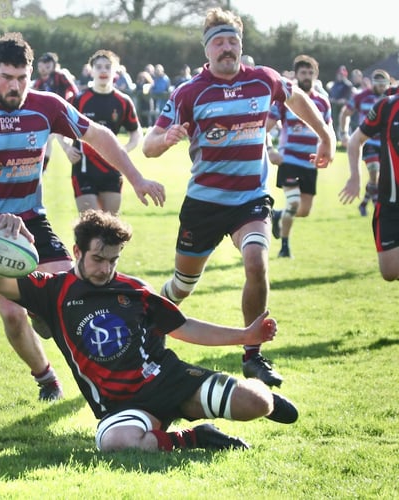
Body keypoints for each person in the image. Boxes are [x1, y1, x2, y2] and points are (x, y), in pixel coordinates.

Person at [0, 32, 166, 402]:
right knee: (12, 314)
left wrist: (136, 178)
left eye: (22, 78)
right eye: (7, 77)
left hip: (32, 219)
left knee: (71, 298)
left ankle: (107, 379)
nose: (15, 86)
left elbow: (98, 135)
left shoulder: (46, 106)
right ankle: (46, 378)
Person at [0, 210, 298, 452]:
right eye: (98, 259)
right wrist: (3, 241)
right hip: (121, 406)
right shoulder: (51, 291)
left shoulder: (134, 290)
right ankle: (197, 437)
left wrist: (244, 336)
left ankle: (263, 396)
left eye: (113, 260)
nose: (105, 268)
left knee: (255, 404)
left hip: (168, 379)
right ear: (76, 253)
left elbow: (182, 326)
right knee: (114, 442)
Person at [142, 8, 335, 388]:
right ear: (207, 49)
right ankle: (149, 326)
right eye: (219, 41)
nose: (227, 48)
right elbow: (149, 146)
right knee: (182, 285)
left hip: (250, 200)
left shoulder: (264, 80)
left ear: (240, 45)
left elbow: (297, 100)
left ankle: (253, 355)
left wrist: (325, 135)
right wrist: (164, 141)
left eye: (232, 41)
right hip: (204, 204)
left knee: (256, 262)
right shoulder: (189, 92)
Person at [267, 55, 332, 259]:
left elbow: (329, 130)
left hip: (311, 162)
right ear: (295, 75)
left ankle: (276, 215)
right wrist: (270, 150)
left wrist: (329, 148)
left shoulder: (322, 102)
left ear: (316, 75)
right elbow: (263, 128)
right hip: (289, 160)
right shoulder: (285, 99)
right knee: (293, 203)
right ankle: (285, 248)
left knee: (303, 210)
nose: (307, 76)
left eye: (310, 73)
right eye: (303, 73)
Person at [63, 50, 142, 215]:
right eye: (98, 67)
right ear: (91, 70)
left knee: (111, 229)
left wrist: (123, 151)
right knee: (90, 228)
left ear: (116, 71)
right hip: (84, 169)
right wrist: (67, 148)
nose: (103, 71)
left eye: (108, 67)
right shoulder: (79, 100)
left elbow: (136, 133)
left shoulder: (123, 101)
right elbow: (58, 127)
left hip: (112, 170)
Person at [340, 92, 399, 281]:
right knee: (389, 272)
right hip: (390, 202)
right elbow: (355, 140)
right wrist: (355, 177)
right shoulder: (387, 106)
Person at [338, 69, 391, 216]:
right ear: (372, 83)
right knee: (374, 170)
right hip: (367, 142)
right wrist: (344, 133)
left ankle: (363, 203)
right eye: (378, 84)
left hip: (386, 144)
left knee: (380, 179)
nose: (381, 88)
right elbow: (345, 113)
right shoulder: (361, 96)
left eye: (384, 85)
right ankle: (377, 208)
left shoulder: (390, 98)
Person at [32, 51, 79, 171]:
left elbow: (74, 91)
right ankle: (43, 169)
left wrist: (68, 104)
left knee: (59, 138)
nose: (44, 69)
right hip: (47, 117)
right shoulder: (39, 82)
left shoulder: (60, 76)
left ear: (54, 65)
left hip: (62, 113)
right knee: (47, 141)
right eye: (41, 67)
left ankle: (74, 155)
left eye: (47, 66)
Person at [328, 65, 354, 135]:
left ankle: (344, 135)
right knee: (334, 121)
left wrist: (344, 100)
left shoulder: (348, 84)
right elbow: (331, 94)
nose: (340, 76)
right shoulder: (334, 84)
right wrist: (331, 99)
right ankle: (335, 135)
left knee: (343, 121)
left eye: (341, 74)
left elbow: (348, 97)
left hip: (343, 106)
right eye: (339, 74)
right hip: (334, 105)